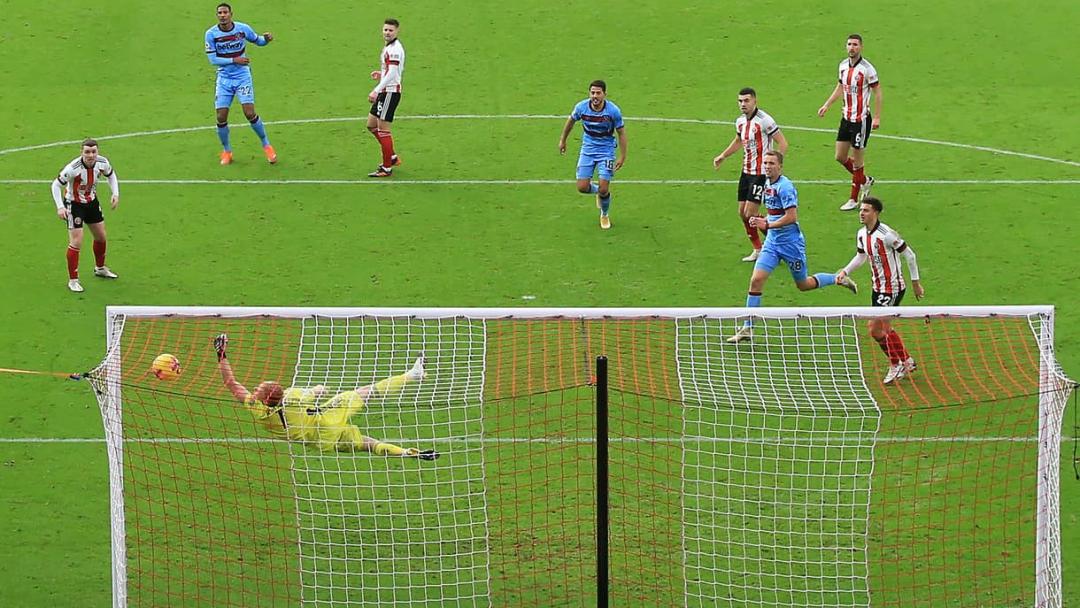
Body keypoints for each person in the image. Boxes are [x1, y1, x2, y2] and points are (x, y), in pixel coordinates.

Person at [213, 333, 438, 459]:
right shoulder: (292, 397)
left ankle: (408, 453)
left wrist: (221, 353)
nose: (256, 389)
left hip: (321, 442)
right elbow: (316, 392)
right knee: (365, 393)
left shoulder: (259, 411)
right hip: (326, 418)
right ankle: (412, 376)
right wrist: (319, 389)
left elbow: (231, 383)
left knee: (367, 444)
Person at [728, 151, 858, 343]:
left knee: (803, 285)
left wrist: (767, 224)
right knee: (756, 281)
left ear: (780, 166)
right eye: (765, 162)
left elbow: (791, 217)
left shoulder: (785, 187)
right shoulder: (764, 183)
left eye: (772, 163)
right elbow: (764, 211)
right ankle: (747, 328)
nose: (767, 166)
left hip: (791, 245)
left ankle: (838, 278)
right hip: (772, 243)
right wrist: (760, 218)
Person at [836, 197, 924, 384]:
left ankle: (896, 364)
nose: (861, 213)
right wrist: (845, 270)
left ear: (875, 213)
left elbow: (910, 255)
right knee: (881, 328)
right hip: (878, 288)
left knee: (875, 328)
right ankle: (906, 361)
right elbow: (861, 256)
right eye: (861, 209)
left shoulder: (887, 235)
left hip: (892, 288)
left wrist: (916, 283)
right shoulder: (861, 234)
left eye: (866, 210)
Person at [712, 87, 790, 262]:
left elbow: (783, 143)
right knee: (742, 213)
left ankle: (780, 244)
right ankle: (759, 248)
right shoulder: (739, 121)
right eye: (740, 101)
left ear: (755, 101)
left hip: (761, 174)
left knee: (750, 213)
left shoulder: (765, 121)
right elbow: (739, 140)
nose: (743, 104)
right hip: (746, 172)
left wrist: (775, 165)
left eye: (746, 100)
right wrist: (723, 156)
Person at [205, 3, 277, 166]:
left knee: (249, 113)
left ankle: (267, 146)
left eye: (225, 12)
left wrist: (266, 39)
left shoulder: (242, 29)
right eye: (219, 13)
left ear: (231, 14)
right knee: (221, 116)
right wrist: (234, 60)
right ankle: (227, 151)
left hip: (242, 76)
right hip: (224, 79)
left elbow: (257, 41)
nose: (222, 15)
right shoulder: (211, 34)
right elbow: (212, 59)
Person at [817, 33, 882, 211]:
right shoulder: (843, 66)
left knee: (858, 161)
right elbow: (840, 87)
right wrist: (827, 105)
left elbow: (878, 92)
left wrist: (876, 116)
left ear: (860, 47)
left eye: (855, 44)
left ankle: (853, 199)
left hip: (860, 120)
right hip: (846, 117)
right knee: (840, 156)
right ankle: (865, 180)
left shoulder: (868, 69)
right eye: (849, 44)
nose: (851, 47)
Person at [51, 139, 120, 293]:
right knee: (76, 241)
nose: (91, 155)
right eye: (87, 152)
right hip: (74, 204)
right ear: (81, 152)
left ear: (97, 152)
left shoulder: (102, 162)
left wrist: (115, 193)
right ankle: (73, 280)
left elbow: (111, 175)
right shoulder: (72, 168)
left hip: (91, 202)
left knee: (101, 236)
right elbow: (55, 185)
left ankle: (100, 268)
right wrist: (60, 207)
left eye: (94, 151)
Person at [558, 80, 627, 230]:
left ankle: (604, 214)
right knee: (582, 187)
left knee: (604, 188)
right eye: (592, 93)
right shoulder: (581, 107)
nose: (595, 96)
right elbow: (570, 122)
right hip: (588, 148)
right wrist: (563, 140)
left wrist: (622, 156)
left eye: (598, 93)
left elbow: (621, 133)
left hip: (606, 150)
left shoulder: (613, 111)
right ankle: (600, 193)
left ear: (604, 94)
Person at [366, 18, 406, 178]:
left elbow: (393, 73)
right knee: (371, 125)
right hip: (386, 90)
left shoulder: (395, 49)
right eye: (385, 30)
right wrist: (380, 75)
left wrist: (377, 89)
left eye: (390, 30)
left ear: (397, 31)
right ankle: (393, 156)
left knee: (383, 130)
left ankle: (386, 167)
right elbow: (389, 71)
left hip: (390, 92)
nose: (387, 32)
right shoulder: (389, 47)